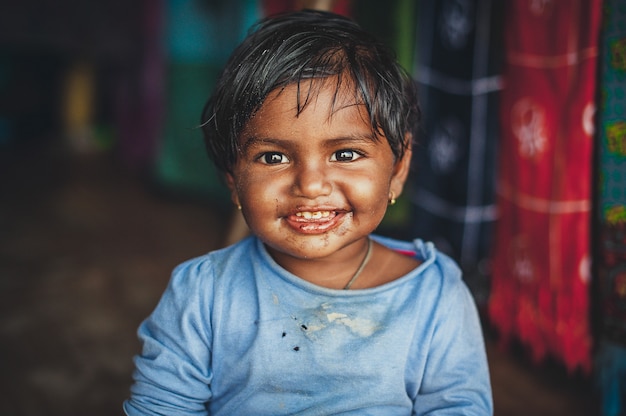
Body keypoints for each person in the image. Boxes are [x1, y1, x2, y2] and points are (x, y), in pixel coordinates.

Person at [124, 9, 493, 415]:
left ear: (399, 168)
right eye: (274, 157)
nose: (311, 185)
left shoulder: (434, 297)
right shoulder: (204, 293)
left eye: (346, 153)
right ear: (232, 178)